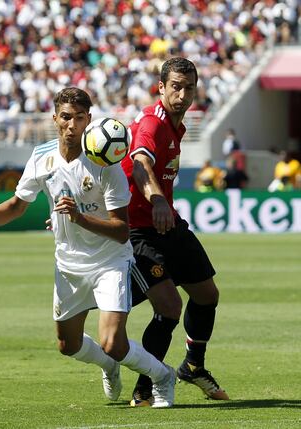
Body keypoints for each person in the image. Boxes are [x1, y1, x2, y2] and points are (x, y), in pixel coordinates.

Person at [0, 87, 176, 408]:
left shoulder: (107, 163)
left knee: (113, 343)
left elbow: (122, 231)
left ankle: (163, 376)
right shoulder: (42, 157)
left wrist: (78, 218)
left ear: (89, 120)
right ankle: (108, 367)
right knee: (67, 345)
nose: (72, 125)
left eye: (79, 118)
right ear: (55, 119)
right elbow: (17, 204)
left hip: (109, 262)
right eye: (66, 117)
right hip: (68, 265)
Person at [121, 57, 229, 406]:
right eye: (176, 87)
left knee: (207, 295)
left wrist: (163, 207)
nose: (183, 94)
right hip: (138, 229)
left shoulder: (176, 125)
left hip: (167, 224)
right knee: (169, 307)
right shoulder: (152, 123)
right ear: (161, 86)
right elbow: (140, 164)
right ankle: (144, 386)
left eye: (189, 88)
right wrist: (157, 200)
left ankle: (193, 366)